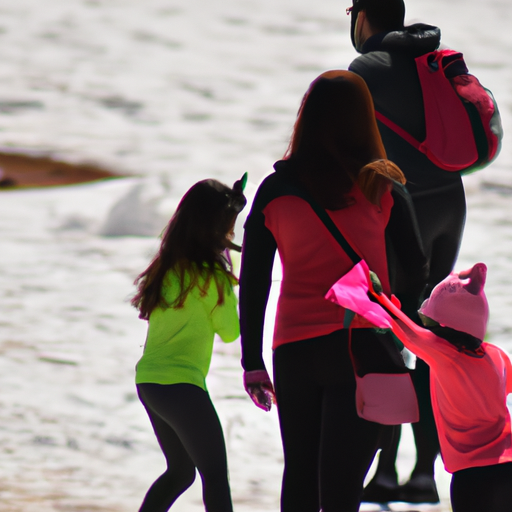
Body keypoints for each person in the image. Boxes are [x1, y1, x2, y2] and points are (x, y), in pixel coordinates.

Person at [239, 70, 426, 512]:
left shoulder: (276, 190)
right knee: (342, 488)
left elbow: (254, 279)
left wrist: (251, 360)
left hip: (295, 349)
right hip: (362, 346)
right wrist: (402, 326)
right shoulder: (383, 186)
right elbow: (416, 263)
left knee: (300, 475)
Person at [347, 0, 468, 502]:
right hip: (450, 204)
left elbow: (350, 147)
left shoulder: (364, 70)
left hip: (402, 210)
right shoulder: (435, 58)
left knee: (391, 336)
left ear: (363, 16)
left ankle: (388, 473)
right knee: (430, 336)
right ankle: (424, 474)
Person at [333, 261, 512, 512]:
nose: (427, 326)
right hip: (507, 464)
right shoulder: (497, 355)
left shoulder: (444, 354)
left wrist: (376, 295)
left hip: (472, 473)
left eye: (431, 321)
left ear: (445, 325)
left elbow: (407, 330)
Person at [131, 176, 247, 512]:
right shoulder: (213, 278)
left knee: (181, 472)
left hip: (150, 384)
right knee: (214, 475)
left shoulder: (166, 267)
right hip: (182, 387)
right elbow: (230, 331)